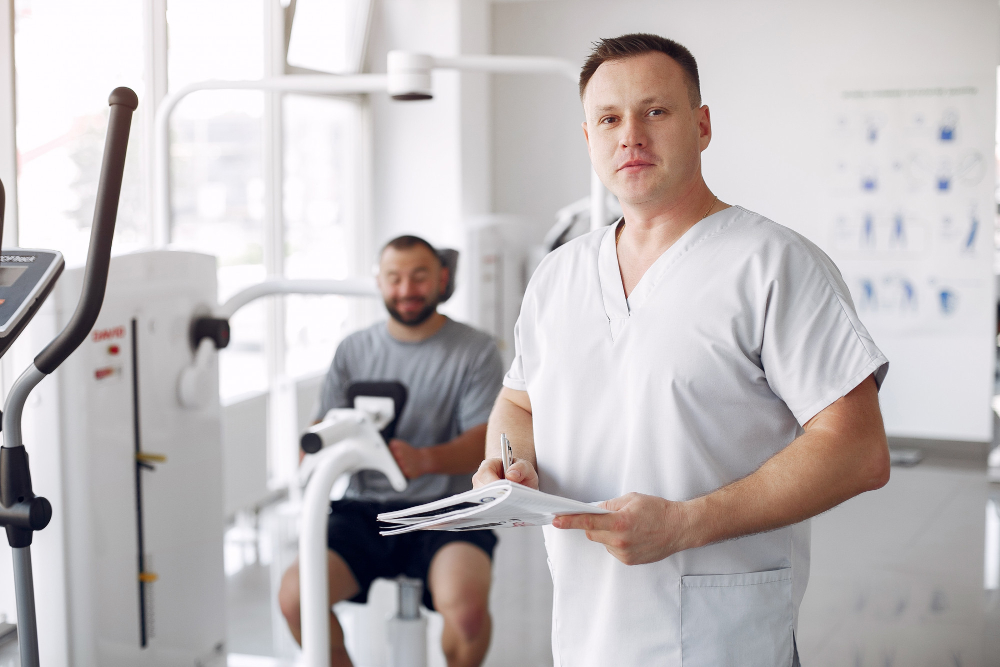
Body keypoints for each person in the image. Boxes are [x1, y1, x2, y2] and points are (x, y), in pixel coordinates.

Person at [473, 33, 890, 666]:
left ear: (702, 126)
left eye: (655, 111)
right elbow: (518, 405)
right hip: (588, 633)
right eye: (608, 118)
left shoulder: (774, 264)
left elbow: (857, 449)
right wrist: (509, 467)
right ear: (588, 137)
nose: (630, 135)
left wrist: (685, 523)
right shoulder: (557, 276)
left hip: (724, 638)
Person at [280, 235, 504, 667]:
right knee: (295, 599)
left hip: (449, 510)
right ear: (379, 283)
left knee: (468, 613)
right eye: (394, 278)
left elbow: (485, 441)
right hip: (366, 512)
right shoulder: (353, 350)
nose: (406, 290)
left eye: (419, 277)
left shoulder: (475, 350)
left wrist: (426, 461)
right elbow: (319, 429)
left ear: (441, 278)